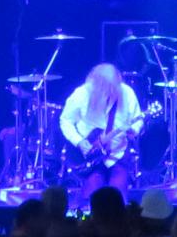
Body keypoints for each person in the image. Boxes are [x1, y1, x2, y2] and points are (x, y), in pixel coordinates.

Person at [60, 63, 144, 201]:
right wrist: (79, 141)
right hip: (90, 157)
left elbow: (138, 119)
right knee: (92, 196)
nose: (109, 91)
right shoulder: (82, 94)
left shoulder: (126, 93)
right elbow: (66, 121)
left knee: (119, 197)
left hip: (117, 154)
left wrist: (133, 130)